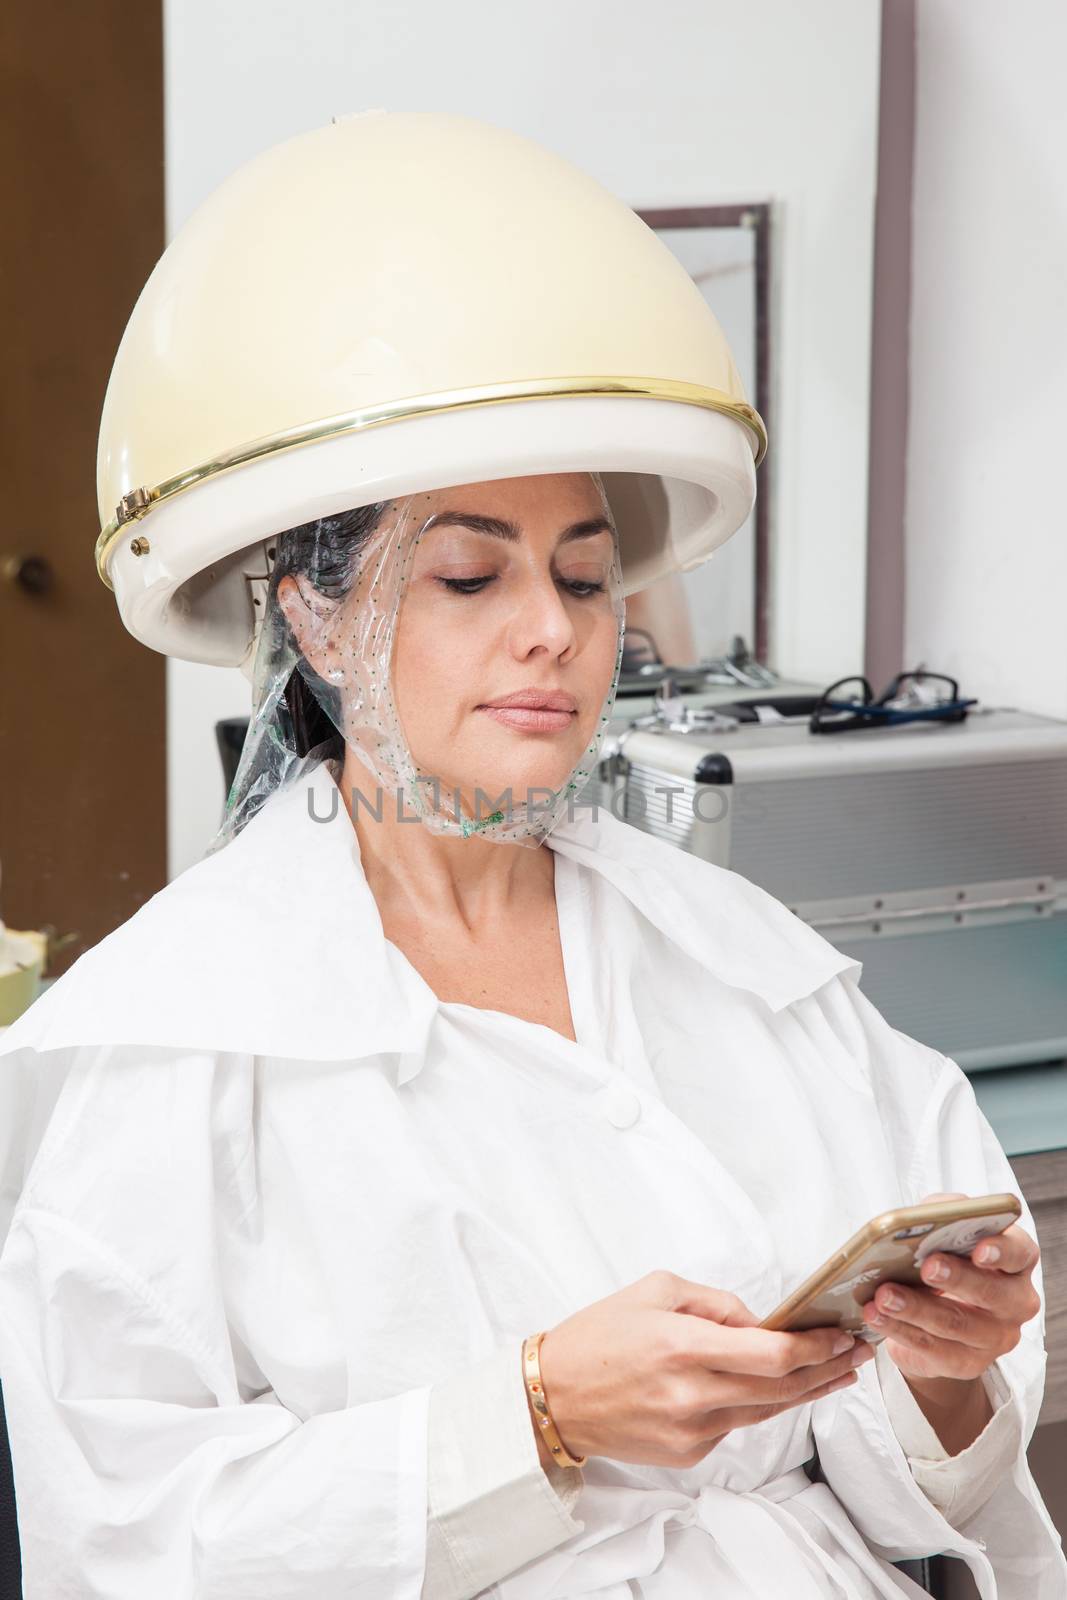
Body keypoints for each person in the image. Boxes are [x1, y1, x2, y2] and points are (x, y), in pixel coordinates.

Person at [1, 112, 1064, 1599]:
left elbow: (929, 1471)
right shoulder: (171, 1046)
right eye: (465, 571)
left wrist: (950, 1374)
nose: (552, 628)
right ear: (311, 618)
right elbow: (132, 1538)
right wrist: (541, 1416)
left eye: (582, 571)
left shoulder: (752, 969)